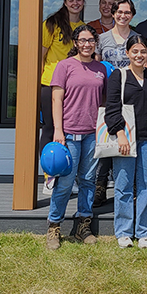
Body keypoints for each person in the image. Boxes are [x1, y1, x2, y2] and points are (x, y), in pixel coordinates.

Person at [105, 35, 147, 249]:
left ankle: (143, 231)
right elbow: (112, 108)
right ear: (127, 53)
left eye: (143, 51)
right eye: (135, 51)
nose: (139, 55)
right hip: (126, 139)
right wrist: (120, 133)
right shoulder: (118, 76)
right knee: (123, 185)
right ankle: (124, 231)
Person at [45, 25, 106, 250]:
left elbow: (103, 102)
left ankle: (83, 225)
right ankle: (54, 226)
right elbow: (56, 99)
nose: (87, 44)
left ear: (95, 43)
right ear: (75, 42)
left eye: (90, 40)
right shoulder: (64, 66)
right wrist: (58, 130)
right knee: (65, 182)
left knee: (88, 181)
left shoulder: (101, 68)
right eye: (82, 40)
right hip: (69, 133)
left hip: (92, 134)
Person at [93, 0, 139, 206]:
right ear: (113, 14)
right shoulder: (102, 39)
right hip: (108, 95)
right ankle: (100, 185)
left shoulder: (137, 37)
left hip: (131, 94)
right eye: (119, 12)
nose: (123, 16)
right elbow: (96, 67)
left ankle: (131, 185)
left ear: (132, 15)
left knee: (130, 137)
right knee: (107, 137)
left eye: (127, 12)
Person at [41, 0, 86, 154]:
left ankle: (65, 164)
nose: (75, 3)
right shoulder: (52, 24)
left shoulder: (83, 28)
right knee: (50, 127)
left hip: (72, 85)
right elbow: (41, 55)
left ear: (83, 2)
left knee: (68, 128)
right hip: (50, 83)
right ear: (65, 3)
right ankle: (48, 167)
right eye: (71, 0)